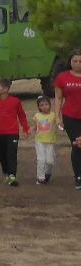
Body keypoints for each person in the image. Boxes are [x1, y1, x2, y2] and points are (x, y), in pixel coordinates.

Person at [52, 49, 81, 190]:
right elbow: (58, 98)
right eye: (75, 61)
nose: (78, 63)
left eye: (80, 61)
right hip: (70, 117)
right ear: (70, 62)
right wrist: (57, 116)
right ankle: (78, 177)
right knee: (77, 145)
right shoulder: (62, 77)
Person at [32, 95, 60, 185]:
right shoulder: (37, 115)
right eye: (42, 105)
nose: (44, 107)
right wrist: (31, 130)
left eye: (46, 104)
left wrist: (60, 125)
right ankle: (40, 177)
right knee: (41, 159)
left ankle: (47, 173)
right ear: (39, 107)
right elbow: (35, 127)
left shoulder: (53, 115)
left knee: (49, 161)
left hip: (50, 141)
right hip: (39, 141)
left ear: (50, 105)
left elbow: (58, 123)